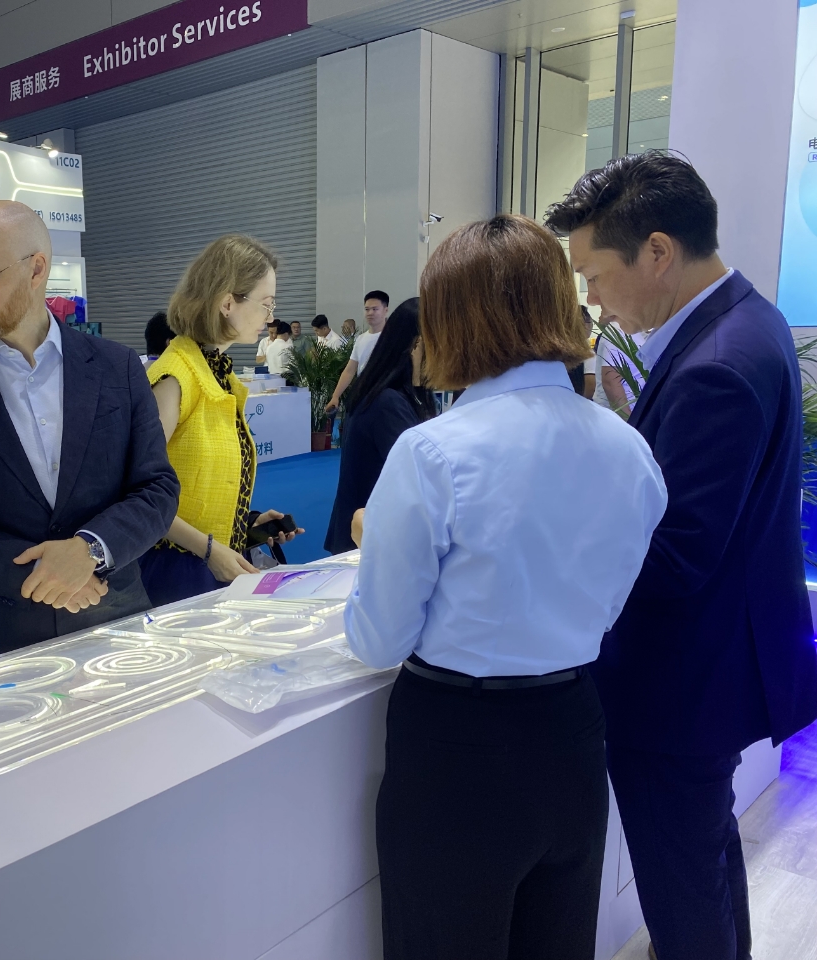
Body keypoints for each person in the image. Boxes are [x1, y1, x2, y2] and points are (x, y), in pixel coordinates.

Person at [345, 214, 667, 960]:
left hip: (457, 746)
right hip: (574, 732)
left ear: (456, 317)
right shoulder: (630, 450)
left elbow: (379, 640)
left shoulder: (432, 452)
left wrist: (376, 554)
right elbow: (609, 603)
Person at [547, 152, 817, 960]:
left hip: (682, 681)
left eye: (595, 275)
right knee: (704, 856)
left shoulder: (717, 366)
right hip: (712, 664)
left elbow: (676, 557)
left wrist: (555, 544)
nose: (594, 299)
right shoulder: (745, 320)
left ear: (657, 252)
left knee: (681, 885)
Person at [0, 201, 179, 664]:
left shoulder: (117, 368)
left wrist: (90, 551)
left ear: (37, 268)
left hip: (115, 620)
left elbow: (157, 487)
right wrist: (45, 572)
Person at [142, 234, 303, 605]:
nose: (270, 316)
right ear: (228, 303)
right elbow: (137, 492)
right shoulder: (175, 377)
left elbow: (197, 486)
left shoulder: (216, 372)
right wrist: (209, 549)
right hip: (176, 570)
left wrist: (245, 523)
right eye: (266, 304)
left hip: (209, 560)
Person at [323, 298, 432, 555]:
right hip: (368, 540)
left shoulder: (407, 394)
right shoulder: (387, 403)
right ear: (417, 344)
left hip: (377, 533)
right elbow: (418, 476)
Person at [325, 290, 390, 413]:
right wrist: (335, 396)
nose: (370, 313)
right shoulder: (361, 339)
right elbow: (349, 370)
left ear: (385, 310)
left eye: (375, 309)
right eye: (367, 309)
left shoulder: (393, 337)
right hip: (364, 395)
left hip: (386, 396)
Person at [594, 311, 647, 416]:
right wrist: (628, 420)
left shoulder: (636, 330)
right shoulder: (619, 329)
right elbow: (610, 382)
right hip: (623, 416)